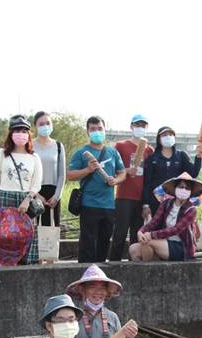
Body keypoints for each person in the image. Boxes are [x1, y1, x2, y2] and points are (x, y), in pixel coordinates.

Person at [67, 116, 126, 263]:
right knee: (87, 244)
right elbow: (70, 175)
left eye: (100, 129)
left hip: (108, 206)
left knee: (104, 242)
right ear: (87, 132)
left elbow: (122, 173)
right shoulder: (81, 153)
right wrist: (88, 169)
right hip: (89, 205)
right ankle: (85, 277)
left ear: (105, 130)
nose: (97, 132)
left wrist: (115, 180)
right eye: (93, 129)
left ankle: (99, 278)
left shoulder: (113, 152)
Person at [0, 115, 43, 264]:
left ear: (29, 135)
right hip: (4, 197)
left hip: (25, 202)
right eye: (17, 131)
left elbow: (37, 183)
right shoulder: (3, 154)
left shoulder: (34, 157)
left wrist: (27, 200)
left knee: (25, 236)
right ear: (11, 134)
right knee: (2, 234)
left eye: (25, 131)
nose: (21, 134)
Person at [129, 172, 202, 262]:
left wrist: (151, 235)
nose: (184, 190)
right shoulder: (166, 203)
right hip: (164, 242)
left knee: (148, 242)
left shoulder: (191, 209)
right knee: (133, 249)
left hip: (181, 246)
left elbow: (176, 229)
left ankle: (148, 272)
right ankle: (147, 270)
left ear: (190, 192)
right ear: (175, 189)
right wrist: (141, 231)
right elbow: (154, 221)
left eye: (187, 188)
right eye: (181, 187)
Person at [109, 114, 154, 261]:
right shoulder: (121, 146)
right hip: (124, 196)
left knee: (137, 234)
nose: (140, 128)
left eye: (143, 125)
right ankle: (114, 263)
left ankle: (133, 265)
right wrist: (128, 171)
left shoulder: (149, 150)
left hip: (141, 197)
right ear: (131, 127)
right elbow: (113, 168)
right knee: (120, 233)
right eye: (137, 125)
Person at [142, 126, 202, 217]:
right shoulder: (152, 158)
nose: (168, 137)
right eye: (164, 135)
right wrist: (146, 205)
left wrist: (198, 157)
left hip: (176, 201)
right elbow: (147, 182)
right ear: (159, 139)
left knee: (173, 229)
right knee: (156, 229)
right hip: (155, 201)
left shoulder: (181, 156)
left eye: (170, 134)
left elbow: (193, 174)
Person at [33, 111, 65, 227]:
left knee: (51, 233)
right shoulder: (29, 146)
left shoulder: (58, 146)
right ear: (35, 126)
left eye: (47, 123)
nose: (45, 126)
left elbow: (62, 175)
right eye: (41, 124)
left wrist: (56, 197)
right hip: (34, 193)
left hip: (53, 195)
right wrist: (36, 195)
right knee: (34, 231)